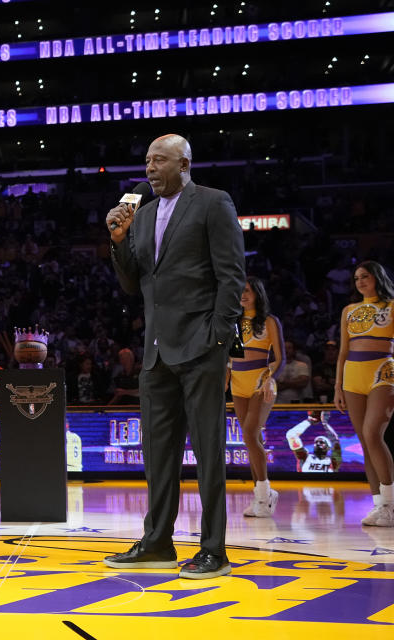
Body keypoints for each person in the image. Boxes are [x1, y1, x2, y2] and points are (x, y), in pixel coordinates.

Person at [105, 134, 246, 579]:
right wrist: (119, 241)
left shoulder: (212, 202)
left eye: (159, 160)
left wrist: (219, 340)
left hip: (201, 346)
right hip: (157, 351)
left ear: (184, 163)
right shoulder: (142, 215)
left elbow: (231, 276)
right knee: (158, 453)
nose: (150, 167)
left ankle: (213, 549)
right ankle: (158, 543)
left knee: (209, 452)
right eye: (147, 160)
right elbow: (132, 284)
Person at [335, 260, 394, 526]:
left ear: (377, 277)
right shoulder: (349, 310)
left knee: (373, 434)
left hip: (383, 370)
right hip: (352, 376)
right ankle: (379, 504)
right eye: (356, 277)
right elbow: (343, 352)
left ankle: (390, 504)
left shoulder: (391, 306)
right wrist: (338, 385)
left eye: (365, 276)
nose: (360, 281)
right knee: (365, 441)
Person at [229, 277, 284, 518]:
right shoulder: (235, 322)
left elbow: (280, 358)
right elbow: (231, 360)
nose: (243, 294)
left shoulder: (270, 321)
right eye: (240, 290)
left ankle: (264, 494)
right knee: (251, 440)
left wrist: (270, 379)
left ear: (257, 293)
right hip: (238, 385)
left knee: (250, 435)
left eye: (248, 290)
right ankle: (261, 495)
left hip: (261, 383)